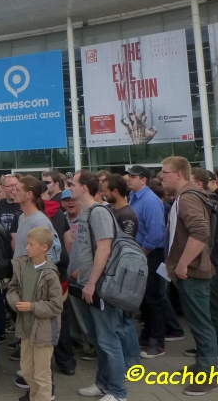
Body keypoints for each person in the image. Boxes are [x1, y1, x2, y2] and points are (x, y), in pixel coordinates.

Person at [67, 171, 132, 401]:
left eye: (72, 184)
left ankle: (118, 392)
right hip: (87, 284)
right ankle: (103, 383)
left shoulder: (99, 212)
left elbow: (104, 249)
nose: (70, 187)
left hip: (99, 286)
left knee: (107, 339)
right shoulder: (87, 212)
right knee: (98, 338)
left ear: (84, 187)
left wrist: (92, 282)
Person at [160, 157, 218, 395]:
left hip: (193, 271)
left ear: (179, 174)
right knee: (198, 323)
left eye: (165, 172)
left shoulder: (187, 198)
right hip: (193, 270)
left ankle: (208, 374)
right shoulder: (187, 195)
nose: (161, 176)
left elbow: (201, 231)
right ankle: (203, 365)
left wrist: (183, 263)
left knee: (202, 324)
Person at [126, 165, 179, 358]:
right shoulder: (134, 197)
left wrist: (143, 253)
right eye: (129, 176)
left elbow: (156, 234)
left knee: (155, 298)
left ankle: (157, 342)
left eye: (133, 176)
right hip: (142, 254)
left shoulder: (150, 201)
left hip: (151, 254)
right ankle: (148, 335)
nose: (129, 179)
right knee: (146, 298)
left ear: (143, 179)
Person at [7, 227, 63, 401]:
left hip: (43, 332)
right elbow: (12, 288)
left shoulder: (50, 273)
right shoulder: (23, 265)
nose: (27, 247)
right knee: (27, 371)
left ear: (44, 247)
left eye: (31, 244)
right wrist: (15, 301)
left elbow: (56, 305)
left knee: (42, 375)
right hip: (26, 329)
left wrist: (31, 306)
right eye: (27, 243)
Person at [187, 168, 218, 367]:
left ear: (198, 184)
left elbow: (206, 237)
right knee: (207, 309)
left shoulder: (209, 204)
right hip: (212, 261)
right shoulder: (206, 202)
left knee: (214, 308)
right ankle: (210, 348)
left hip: (214, 262)